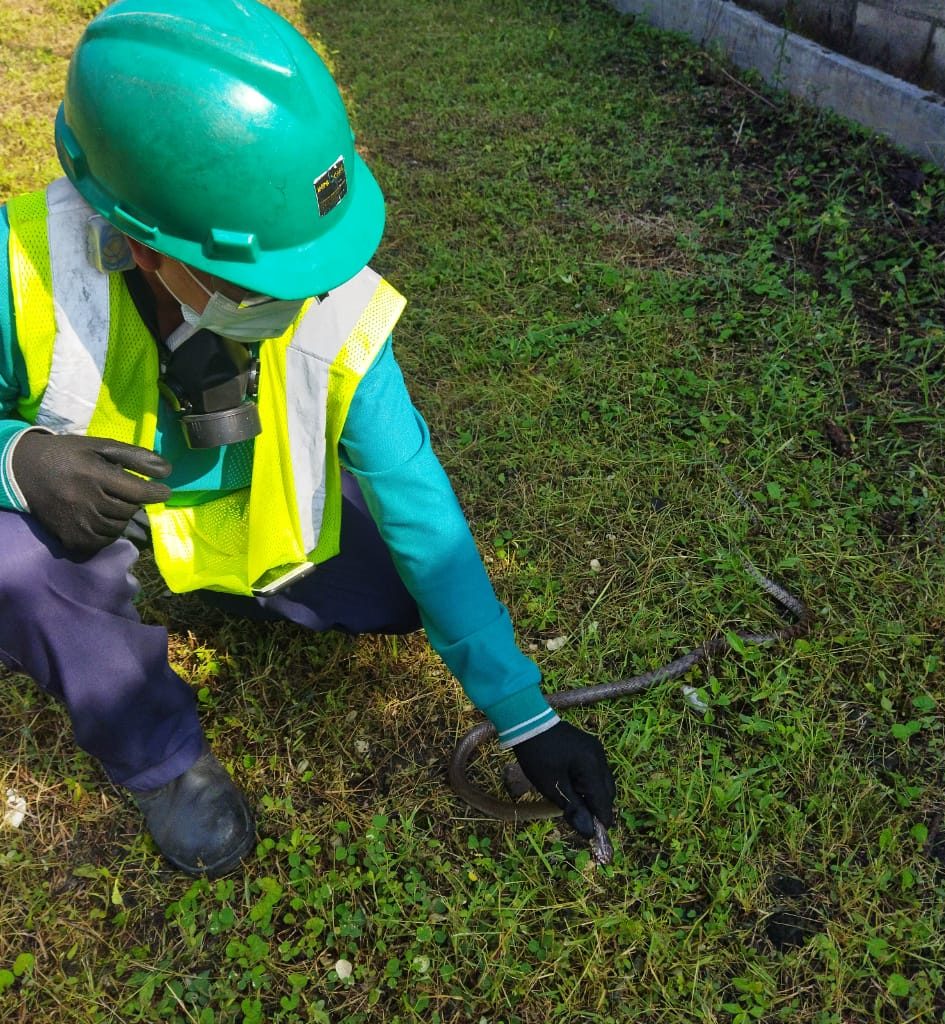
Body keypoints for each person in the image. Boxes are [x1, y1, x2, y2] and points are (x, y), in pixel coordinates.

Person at [0, 0, 615, 877]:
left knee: (397, 592)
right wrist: (19, 461)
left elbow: (415, 499)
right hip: (82, 516)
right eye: (262, 282)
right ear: (142, 246)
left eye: (310, 267)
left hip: (233, 513)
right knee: (15, 566)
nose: (304, 300)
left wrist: (526, 716)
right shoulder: (25, 265)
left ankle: (219, 586)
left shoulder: (330, 292)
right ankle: (162, 759)